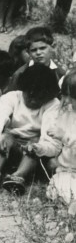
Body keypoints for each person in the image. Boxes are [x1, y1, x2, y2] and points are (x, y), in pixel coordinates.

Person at [0, 63, 61, 193]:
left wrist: (40, 148)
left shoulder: (53, 104)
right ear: (23, 88)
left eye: (38, 95)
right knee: (5, 137)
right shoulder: (12, 97)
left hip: (35, 150)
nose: (33, 99)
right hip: (12, 145)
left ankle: (19, 176)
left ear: (47, 93)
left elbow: (51, 138)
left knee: (34, 144)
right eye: (29, 94)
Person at [35, 70, 76, 203]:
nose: (68, 100)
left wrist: (65, 136)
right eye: (66, 95)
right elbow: (55, 146)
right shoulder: (66, 114)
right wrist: (42, 148)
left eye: (73, 96)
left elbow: (66, 138)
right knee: (62, 193)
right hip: (68, 171)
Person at [6, 26, 67, 91]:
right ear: (28, 52)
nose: (38, 53)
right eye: (33, 50)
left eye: (42, 48)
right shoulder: (20, 74)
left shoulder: (60, 73)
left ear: (52, 47)